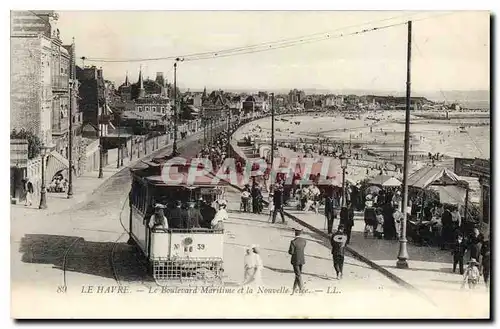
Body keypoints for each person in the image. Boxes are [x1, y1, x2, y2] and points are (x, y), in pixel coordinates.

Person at [288, 228, 306, 294]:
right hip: (302, 260)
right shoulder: (304, 241)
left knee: (298, 275)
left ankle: (302, 290)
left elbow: (291, 252)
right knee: (298, 275)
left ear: (295, 233)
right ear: (300, 233)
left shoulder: (293, 242)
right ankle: (294, 290)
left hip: (295, 260)